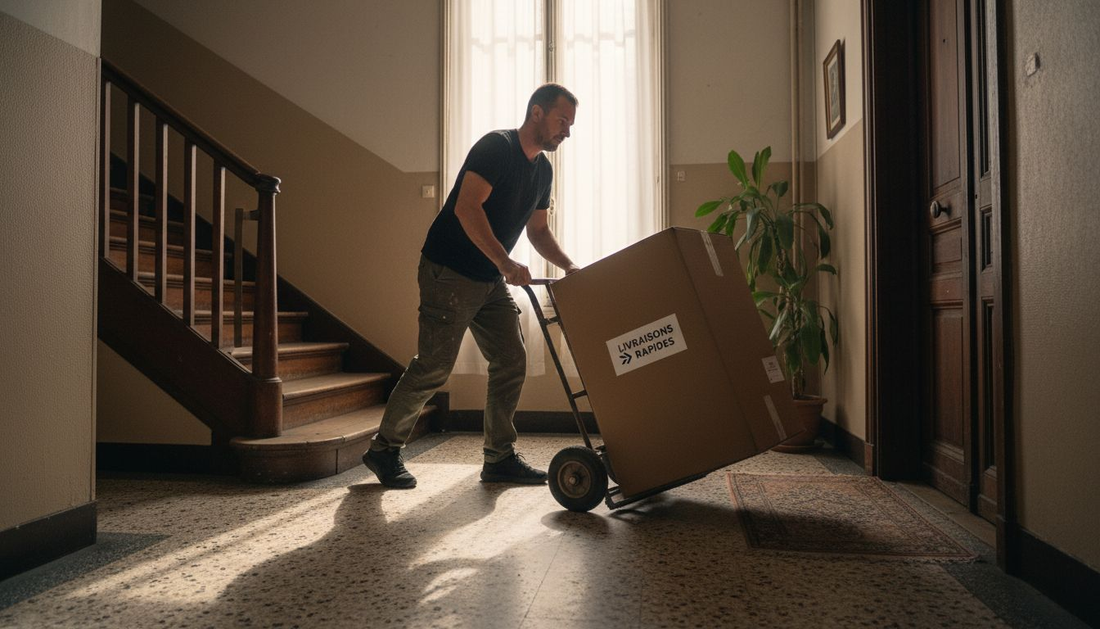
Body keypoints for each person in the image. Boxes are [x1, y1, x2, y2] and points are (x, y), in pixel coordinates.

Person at [362, 84, 581, 489]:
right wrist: (504, 262)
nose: (566, 131)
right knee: (433, 366)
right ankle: (384, 449)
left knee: (511, 360)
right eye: (561, 120)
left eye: (570, 124)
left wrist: (569, 265)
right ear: (537, 113)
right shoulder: (496, 148)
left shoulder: (543, 171)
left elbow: (537, 231)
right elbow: (467, 207)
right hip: (450, 270)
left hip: (488, 279)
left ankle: (498, 458)